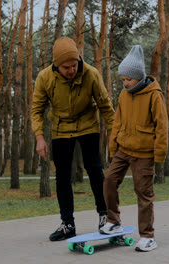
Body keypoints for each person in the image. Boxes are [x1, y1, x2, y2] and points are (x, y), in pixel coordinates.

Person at [31, 37, 115, 241]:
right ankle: (67, 223)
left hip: (87, 124)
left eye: (74, 65)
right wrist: (39, 137)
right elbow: (37, 109)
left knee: (95, 169)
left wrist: (115, 135)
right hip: (61, 128)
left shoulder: (91, 74)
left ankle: (106, 217)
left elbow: (106, 107)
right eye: (66, 67)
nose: (71, 70)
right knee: (62, 175)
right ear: (56, 66)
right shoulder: (45, 78)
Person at [99, 45, 168, 252]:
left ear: (138, 76)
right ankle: (114, 220)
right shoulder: (124, 95)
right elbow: (117, 122)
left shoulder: (154, 95)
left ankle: (148, 236)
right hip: (123, 150)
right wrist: (113, 148)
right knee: (109, 180)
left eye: (128, 79)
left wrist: (160, 154)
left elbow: (162, 125)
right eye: (122, 80)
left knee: (143, 193)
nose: (125, 83)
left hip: (144, 153)